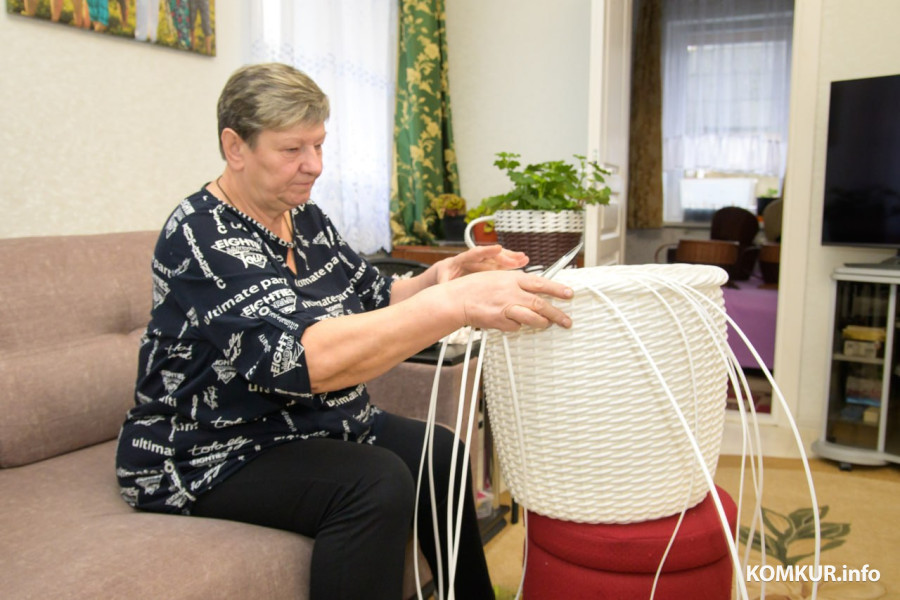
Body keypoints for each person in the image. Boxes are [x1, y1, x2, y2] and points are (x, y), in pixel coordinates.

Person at [115, 62, 573, 600]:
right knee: (375, 483)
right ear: (235, 147)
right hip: (214, 446)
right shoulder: (201, 234)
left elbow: (378, 297)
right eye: (293, 149)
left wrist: (442, 277)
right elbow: (299, 362)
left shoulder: (304, 218)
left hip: (311, 424)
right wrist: (452, 306)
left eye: (319, 145)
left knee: (441, 453)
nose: (314, 165)